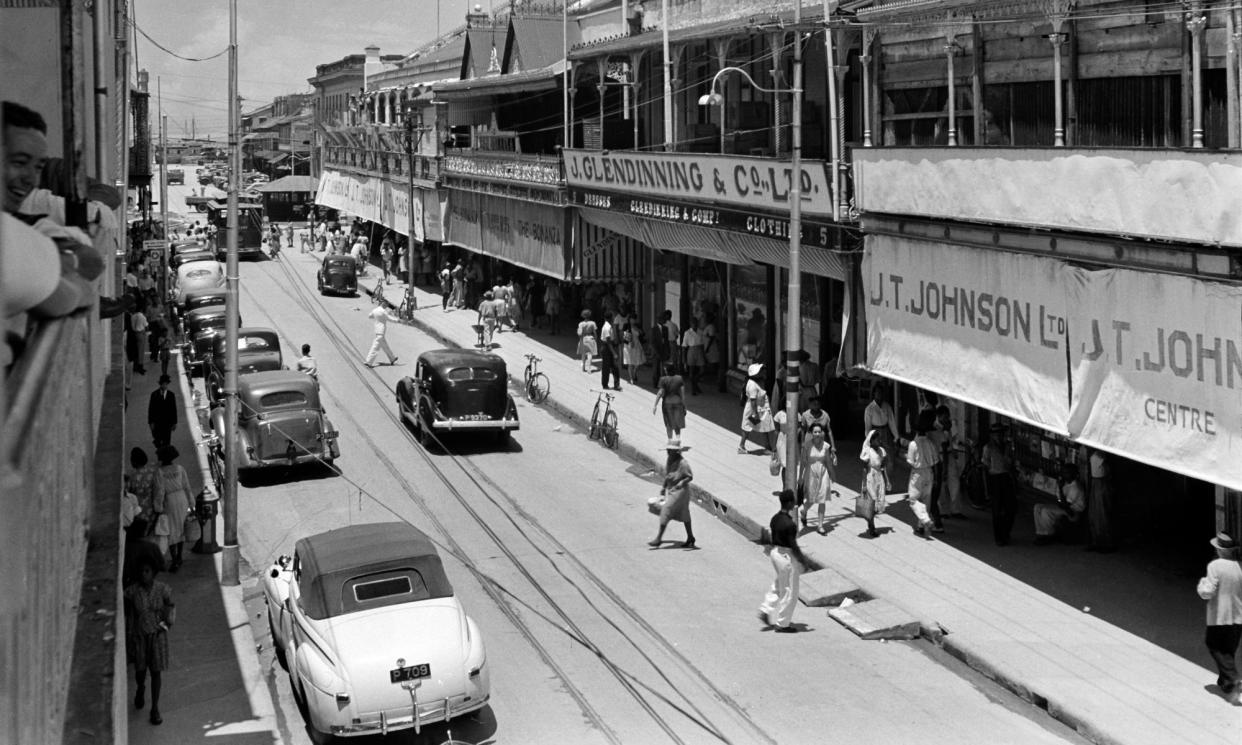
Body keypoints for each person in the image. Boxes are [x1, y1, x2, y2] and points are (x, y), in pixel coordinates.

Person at [124, 554, 175, 725]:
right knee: (140, 671)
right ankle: (140, 688)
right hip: (140, 637)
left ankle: (155, 708)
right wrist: (130, 636)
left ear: (153, 572)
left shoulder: (163, 589)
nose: (144, 574)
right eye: (141, 571)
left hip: (157, 636)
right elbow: (130, 615)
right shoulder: (133, 591)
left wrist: (166, 625)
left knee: (156, 672)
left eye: (147, 571)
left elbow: (171, 607)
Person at [1197, 532, 1242, 703]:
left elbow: (1207, 592)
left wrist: (1202, 585)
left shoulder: (1215, 566)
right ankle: (1225, 682)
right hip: (1239, 617)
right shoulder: (1240, 566)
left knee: (1214, 645)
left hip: (1220, 616)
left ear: (1219, 550)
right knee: (1228, 649)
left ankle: (1232, 679)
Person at [757, 489, 805, 632]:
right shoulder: (789, 524)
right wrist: (803, 560)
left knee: (779, 583)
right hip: (786, 557)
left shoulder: (775, 519)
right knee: (790, 591)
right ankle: (783, 624)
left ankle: (766, 608)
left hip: (775, 553)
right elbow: (793, 545)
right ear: (790, 503)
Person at [648, 439, 696, 549]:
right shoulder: (669, 459)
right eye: (668, 450)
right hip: (672, 488)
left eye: (671, 450)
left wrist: (681, 483)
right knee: (684, 513)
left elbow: (689, 477)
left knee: (666, 509)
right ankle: (690, 537)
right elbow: (668, 474)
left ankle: (659, 538)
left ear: (677, 451)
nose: (668, 452)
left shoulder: (683, 463)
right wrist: (663, 487)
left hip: (681, 491)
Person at [151, 445, 192, 572]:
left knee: (171, 531)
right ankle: (179, 556)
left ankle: (174, 560)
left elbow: (159, 491)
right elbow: (187, 486)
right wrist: (191, 502)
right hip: (182, 499)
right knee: (181, 529)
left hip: (169, 502)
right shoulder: (180, 469)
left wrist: (158, 507)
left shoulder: (160, 472)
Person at [906, 410, 942, 538]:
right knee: (926, 500)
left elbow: (910, 462)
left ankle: (925, 520)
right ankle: (921, 526)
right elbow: (936, 462)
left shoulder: (913, 444)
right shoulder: (930, 443)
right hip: (930, 473)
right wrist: (937, 478)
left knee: (913, 499)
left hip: (918, 474)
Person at [980, 422, 1017, 546]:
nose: (999, 436)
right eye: (997, 434)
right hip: (995, 478)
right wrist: (987, 487)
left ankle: (1006, 532)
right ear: (992, 435)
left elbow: (1012, 463)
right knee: (997, 510)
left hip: (1006, 477)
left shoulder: (1008, 446)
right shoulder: (988, 448)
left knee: (1010, 509)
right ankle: (999, 537)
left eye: (1001, 433)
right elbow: (985, 466)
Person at [1033, 463, 1086, 545]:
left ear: (1074, 474)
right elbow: (1059, 500)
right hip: (1064, 508)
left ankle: (1048, 535)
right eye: (1063, 472)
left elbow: (1065, 505)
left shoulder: (1076, 487)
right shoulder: (1065, 484)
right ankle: (1040, 532)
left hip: (1073, 512)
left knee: (1046, 511)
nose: (1064, 475)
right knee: (1037, 507)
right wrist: (1059, 487)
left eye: (1067, 473)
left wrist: (1060, 488)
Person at [799, 422, 836, 535]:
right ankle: (804, 511)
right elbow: (802, 463)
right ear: (811, 433)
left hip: (823, 472)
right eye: (815, 432)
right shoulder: (806, 446)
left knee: (822, 499)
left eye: (819, 432)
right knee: (811, 498)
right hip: (810, 473)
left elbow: (828, 462)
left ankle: (820, 526)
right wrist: (800, 477)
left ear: (822, 433)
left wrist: (832, 475)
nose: (817, 434)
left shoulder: (826, 446)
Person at [936, 404, 969, 519]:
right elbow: (943, 446)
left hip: (949, 455)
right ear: (939, 416)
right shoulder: (937, 428)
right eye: (945, 416)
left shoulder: (948, 427)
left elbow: (950, 442)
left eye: (948, 416)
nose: (947, 419)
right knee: (940, 484)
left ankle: (956, 510)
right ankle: (942, 510)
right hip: (940, 456)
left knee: (954, 482)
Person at [737, 363, 776, 455]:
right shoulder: (752, 385)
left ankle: (767, 447)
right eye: (761, 370)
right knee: (747, 427)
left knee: (764, 427)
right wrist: (755, 414)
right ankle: (741, 446)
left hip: (762, 409)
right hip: (754, 410)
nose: (763, 371)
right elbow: (753, 401)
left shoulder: (759, 381)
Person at [858, 429, 890, 538]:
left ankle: (870, 521)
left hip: (879, 478)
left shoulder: (881, 451)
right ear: (871, 441)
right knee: (871, 502)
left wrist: (887, 480)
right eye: (876, 440)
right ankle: (872, 526)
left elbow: (883, 467)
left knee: (878, 504)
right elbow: (864, 469)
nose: (879, 442)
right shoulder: (867, 452)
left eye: (879, 440)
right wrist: (864, 485)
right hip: (870, 477)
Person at [1085, 448, 1117, 552]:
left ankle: (1107, 543)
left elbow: (1108, 469)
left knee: (1103, 514)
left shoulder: (1104, 452)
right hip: (1096, 481)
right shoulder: (1094, 451)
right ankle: (1096, 541)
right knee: (1094, 513)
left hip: (1102, 482)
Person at [364, 296, 400, 367]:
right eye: (386, 305)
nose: (386, 306)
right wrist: (397, 320)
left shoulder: (375, 310)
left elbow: (370, 316)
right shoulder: (383, 312)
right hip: (381, 331)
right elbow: (390, 319)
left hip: (377, 331)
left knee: (385, 346)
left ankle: (392, 358)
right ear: (383, 304)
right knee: (375, 347)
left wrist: (376, 317)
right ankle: (369, 362)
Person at [652, 371, 686, 440]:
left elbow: (660, 392)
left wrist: (655, 405)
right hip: (678, 403)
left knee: (668, 423)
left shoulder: (663, 379)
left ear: (666, 370)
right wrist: (684, 406)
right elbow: (682, 394)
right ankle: (678, 439)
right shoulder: (679, 379)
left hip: (667, 404)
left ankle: (670, 440)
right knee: (677, 422)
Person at [147, 375, 177, 449]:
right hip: (157, 423)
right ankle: (161, 457)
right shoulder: (154, 395)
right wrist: (151, 422)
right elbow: (151, 409)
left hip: (167, 423)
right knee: (158, 442)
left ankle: (166, 459)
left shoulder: (171, 395)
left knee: (167, 442)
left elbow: (173, 409)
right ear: (160, 384)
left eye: (166, 384)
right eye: (163, 384)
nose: (165, 385)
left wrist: (174, 422)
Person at [599, 310, 622, 391]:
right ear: (610, 318)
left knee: (615, 367)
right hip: (607, 348)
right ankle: (605, 384)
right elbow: (608, 342)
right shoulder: (606, 327)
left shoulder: (609, 326)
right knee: (606, 367)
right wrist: (614, 353)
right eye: (612, 317)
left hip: (610, 346)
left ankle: (616, 384)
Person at [681, 317, 705, 395]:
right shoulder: (687, 333)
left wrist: (704, 353)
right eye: (692, 323)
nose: (694, 324)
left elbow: (702, 343)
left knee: (702, 370)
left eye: (695, 323)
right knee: (691, 370)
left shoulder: (700, 332)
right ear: (690, 324)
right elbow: (684, 346)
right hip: (691, 350)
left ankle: (695, 382)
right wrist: (684, 359)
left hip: (699, 350)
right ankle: (693, 389)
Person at [622, 314, 645, 384]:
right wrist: (629, 341)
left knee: (638, 362)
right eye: (632, 319)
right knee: (630, 362)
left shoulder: (637, 326)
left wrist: (638, 329)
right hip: (628, 346)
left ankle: (634, 372)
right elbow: (624, 335)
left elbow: (643, 333)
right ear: (629, 319)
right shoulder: (626, 325)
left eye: (634, 319)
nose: (633, 320)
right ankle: (631, 378)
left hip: (637, 345)